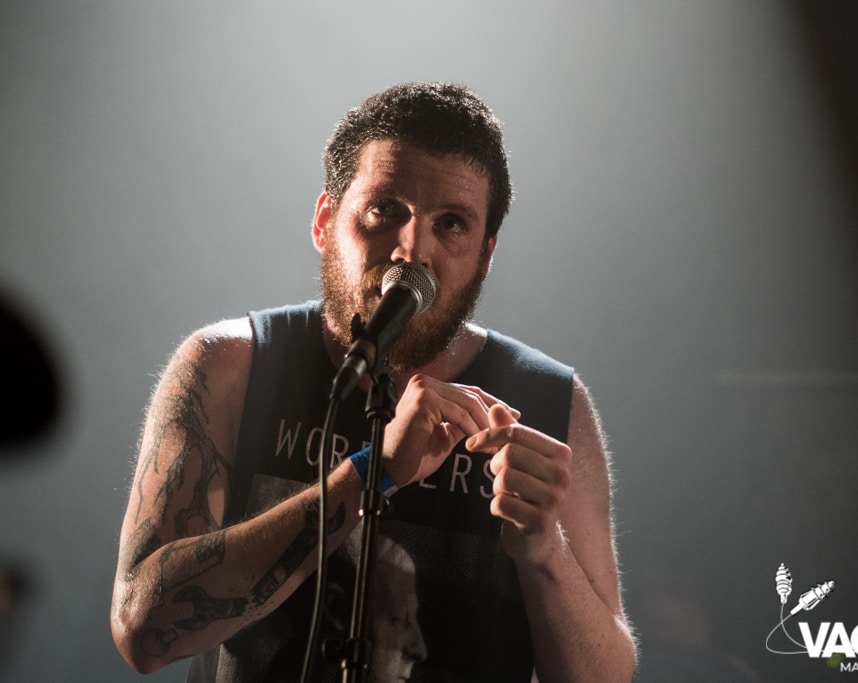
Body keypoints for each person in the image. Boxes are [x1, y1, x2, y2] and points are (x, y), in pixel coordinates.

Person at [110, 81, 636, 682]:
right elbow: (143, 631)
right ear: (325, 221)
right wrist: (372, 470)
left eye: (451, 224)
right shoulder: (231, 365)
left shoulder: (548, 401)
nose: (413, 251)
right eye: (385, 210)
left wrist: (545, 552)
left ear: (486, 255)